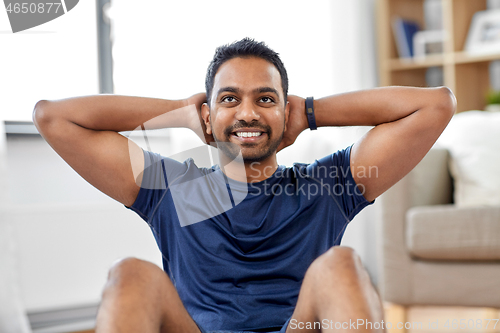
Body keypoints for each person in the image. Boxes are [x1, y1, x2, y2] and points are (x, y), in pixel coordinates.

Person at [33, 38, 456, 333]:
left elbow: (435, 104)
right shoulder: (173, 189)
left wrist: (312, 111)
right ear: (208, 114)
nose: (248, 113)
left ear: (284, 113)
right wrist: (180, 111)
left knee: (341, 264)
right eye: (229, 99)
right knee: (129, 273)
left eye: (266, 99)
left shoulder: (326, 185)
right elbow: (53, 117)